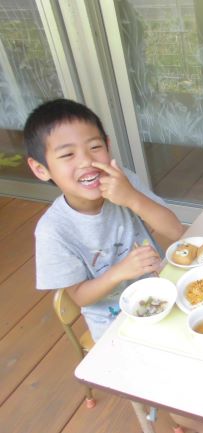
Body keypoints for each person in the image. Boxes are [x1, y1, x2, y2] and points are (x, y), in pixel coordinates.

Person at [24, 98, 185, 341]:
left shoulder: (123, 182)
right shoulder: (53, 231)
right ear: (40, 169)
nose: (86, 161)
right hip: (114, 327)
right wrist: (120, 272)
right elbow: (79, 297)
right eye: (67, 154)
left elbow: (175, 231)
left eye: (94, 147)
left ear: (108, 145)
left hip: (165, 292)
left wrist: (132, 197)